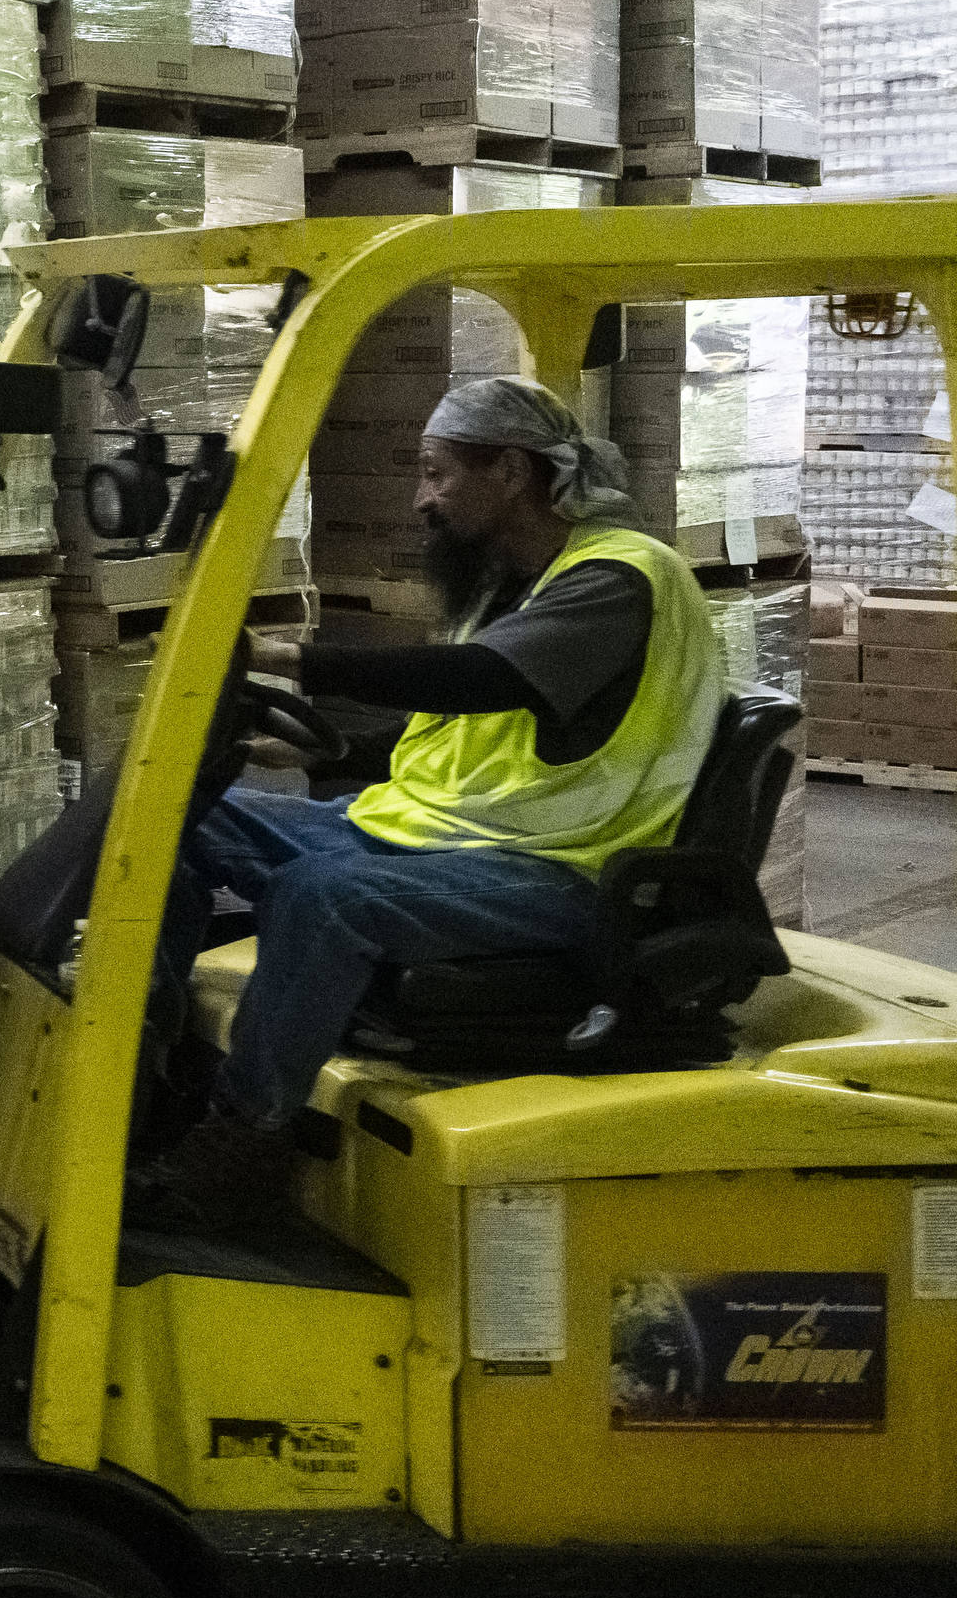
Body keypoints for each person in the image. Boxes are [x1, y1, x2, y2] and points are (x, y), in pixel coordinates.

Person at [160, 376, 725, 1190]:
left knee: (323, 895)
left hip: (567, 868)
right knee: (180, 812)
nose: (423, 501)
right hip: (456, 831)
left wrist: (287, 657)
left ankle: (247, 1133)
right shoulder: (517, 582)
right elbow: (463, 733)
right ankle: (148, 1045)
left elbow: (478, 682)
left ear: (510, 471)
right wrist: (323, 758)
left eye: (437, 472)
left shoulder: (621, 578)